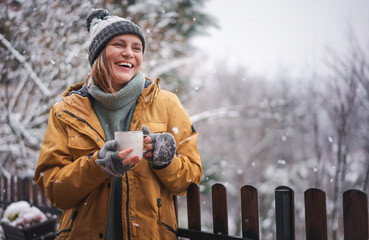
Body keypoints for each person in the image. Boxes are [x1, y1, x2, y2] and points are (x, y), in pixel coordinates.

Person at [34, 9, 202, 240]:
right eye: (119, 45)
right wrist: (97, 167)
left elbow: (190, 179)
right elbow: (54, 190)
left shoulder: (167, 103)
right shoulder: (65, 112)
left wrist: (166, 161)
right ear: (99, 53)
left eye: (137, 48)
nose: (129, 53)